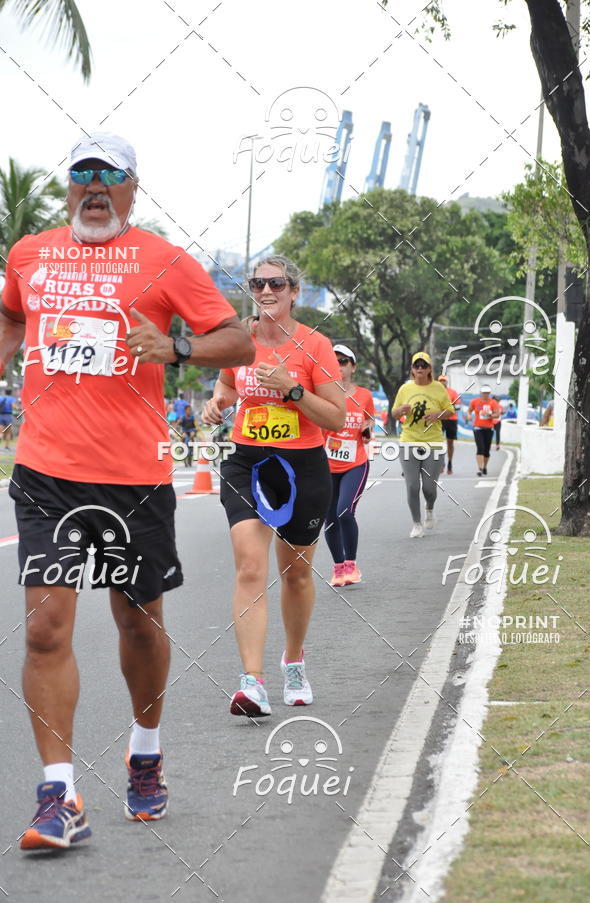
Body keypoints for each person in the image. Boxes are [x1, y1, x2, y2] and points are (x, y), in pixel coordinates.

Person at [0, 132, 253, 850]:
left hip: (134, 477)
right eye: (81, 174)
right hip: (46, 472)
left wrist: (175, 348)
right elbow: (12, 313)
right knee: (45, 628)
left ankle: (145, 750)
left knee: (137, 623)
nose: (94, 186)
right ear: (68, 187)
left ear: (132, 188)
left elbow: (237, 341)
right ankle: (59, 796)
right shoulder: (29, 254)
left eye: (109, 174)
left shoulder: (165, 260)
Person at [202, 255, 345, 717]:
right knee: (249, 567)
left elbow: (336, 417)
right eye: (258, 283)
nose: (266, 291)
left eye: (276, 284)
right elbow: (227, 386)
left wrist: (292, 389)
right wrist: (217, 403)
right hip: (248, 463)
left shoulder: (315, 345)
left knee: (296, 574)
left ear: (293, 292)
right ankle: (252, 683)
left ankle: (294, 662)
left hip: (302, 468)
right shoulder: (238, 340)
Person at [322, 345, 375, 587]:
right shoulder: (321, 395)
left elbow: (369, 420)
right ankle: (338, 568)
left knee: (344, 510)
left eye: (343, 362)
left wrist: (367, 429)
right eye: (333, 362)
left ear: (353, 367)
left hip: (355, 463)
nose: (338, 366)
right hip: (326, 466)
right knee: (330, 518)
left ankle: (351, 566)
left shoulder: (364, 395)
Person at [392, 352, 454, 538]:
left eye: (423, 365)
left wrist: (437, 415)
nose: (419, 368)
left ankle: (430, 508)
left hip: (433, 443)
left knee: (428, 487)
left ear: (429, 369)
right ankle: (417, 524)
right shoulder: (405, 389)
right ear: (412, 369)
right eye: (416, 365)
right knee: (412, 486)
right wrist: (400, 410)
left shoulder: (438, 388)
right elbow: (394, 413)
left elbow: (450, 410)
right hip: (409, 441)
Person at [467, 385, 502, 476]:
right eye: (483, 393)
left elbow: (497, 414)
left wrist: (489, 415)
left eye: (487, 393)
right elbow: (469, 410)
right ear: (480, 393)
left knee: (486, 450)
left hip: (489, 428)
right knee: (480, 448)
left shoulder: (493, 402)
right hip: (477, 428)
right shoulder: (475, 401)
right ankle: (480, 468)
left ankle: (484, 466)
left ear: (489, 393)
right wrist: (469, 415)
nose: (485, 395)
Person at [437, 374, 460, 475]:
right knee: (439, 442)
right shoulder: (435, 392)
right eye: (441, 381)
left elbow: (458, 406)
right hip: (439, 420)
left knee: (450, 442)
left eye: (444, 381)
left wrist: (449, 409)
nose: (442, 382)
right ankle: (441, 463)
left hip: (451, 419)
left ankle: (450, 463)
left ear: (447, 382)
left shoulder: (453, 392)